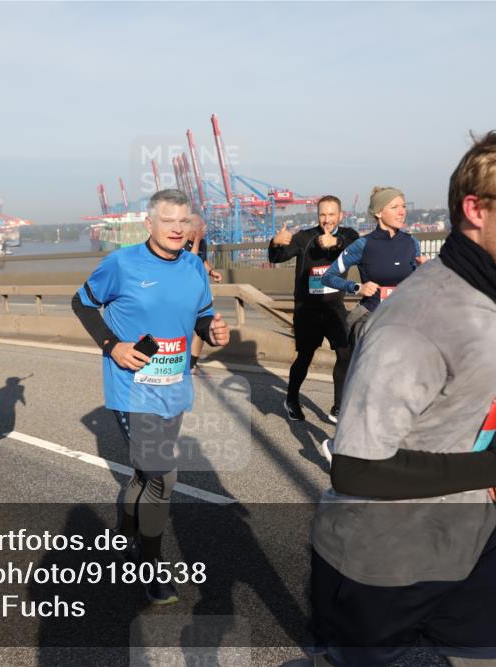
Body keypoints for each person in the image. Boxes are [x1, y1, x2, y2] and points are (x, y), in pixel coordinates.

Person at [309, 124, 496, 667]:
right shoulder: (416, 322)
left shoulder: (489, 291)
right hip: (379, 566)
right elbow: (355, 469)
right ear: (476, 209)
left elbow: (456, 410)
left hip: (471, 548)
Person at [71, 189, 230, 605]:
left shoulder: (194, 265)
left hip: (174, 387)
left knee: (144, 476)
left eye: (183, 221)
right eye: (167, 220)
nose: (177, 228)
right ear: (149, 224)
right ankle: (150, 564)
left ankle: (124, 537)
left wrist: (212, 330)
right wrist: (113, 346)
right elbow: (82, 303)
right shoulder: (121, 264)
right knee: (163, 476)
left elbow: (201, 314)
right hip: (132, 388)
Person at [268, 196, 359, 424]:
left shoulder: (348, 235)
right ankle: (291, 399)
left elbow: (354, 246)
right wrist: (275, 242)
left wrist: (335, 243)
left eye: (331, 214)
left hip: (334, 307)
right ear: (317, 216)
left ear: (341, 215)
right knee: (305, 357)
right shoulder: (304, 237)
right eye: (322, 215)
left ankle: (338, 407)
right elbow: (276, 257)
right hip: (307, 309)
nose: (327, 220)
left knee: (345, 353)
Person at [321, 187, 424, 349]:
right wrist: (357, 287)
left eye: (403, 206)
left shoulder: (412, 243)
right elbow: (327, 277)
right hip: (372, 318)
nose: (402, 212)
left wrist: (425, 271)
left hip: (406, 319)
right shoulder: (362, 245)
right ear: (378, 212)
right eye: (394, 207)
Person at [183, 213, 223, 371]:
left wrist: (212, 272)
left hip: (200, 292)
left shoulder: (203, 243)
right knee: (185, 328)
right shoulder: (181, 243)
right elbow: (191, 261)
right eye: (203, 230)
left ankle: (192, 363)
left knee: (203, 327)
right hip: (184, 292)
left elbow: (202, 260)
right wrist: (197, 241)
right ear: (195, 230)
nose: (205, 233)